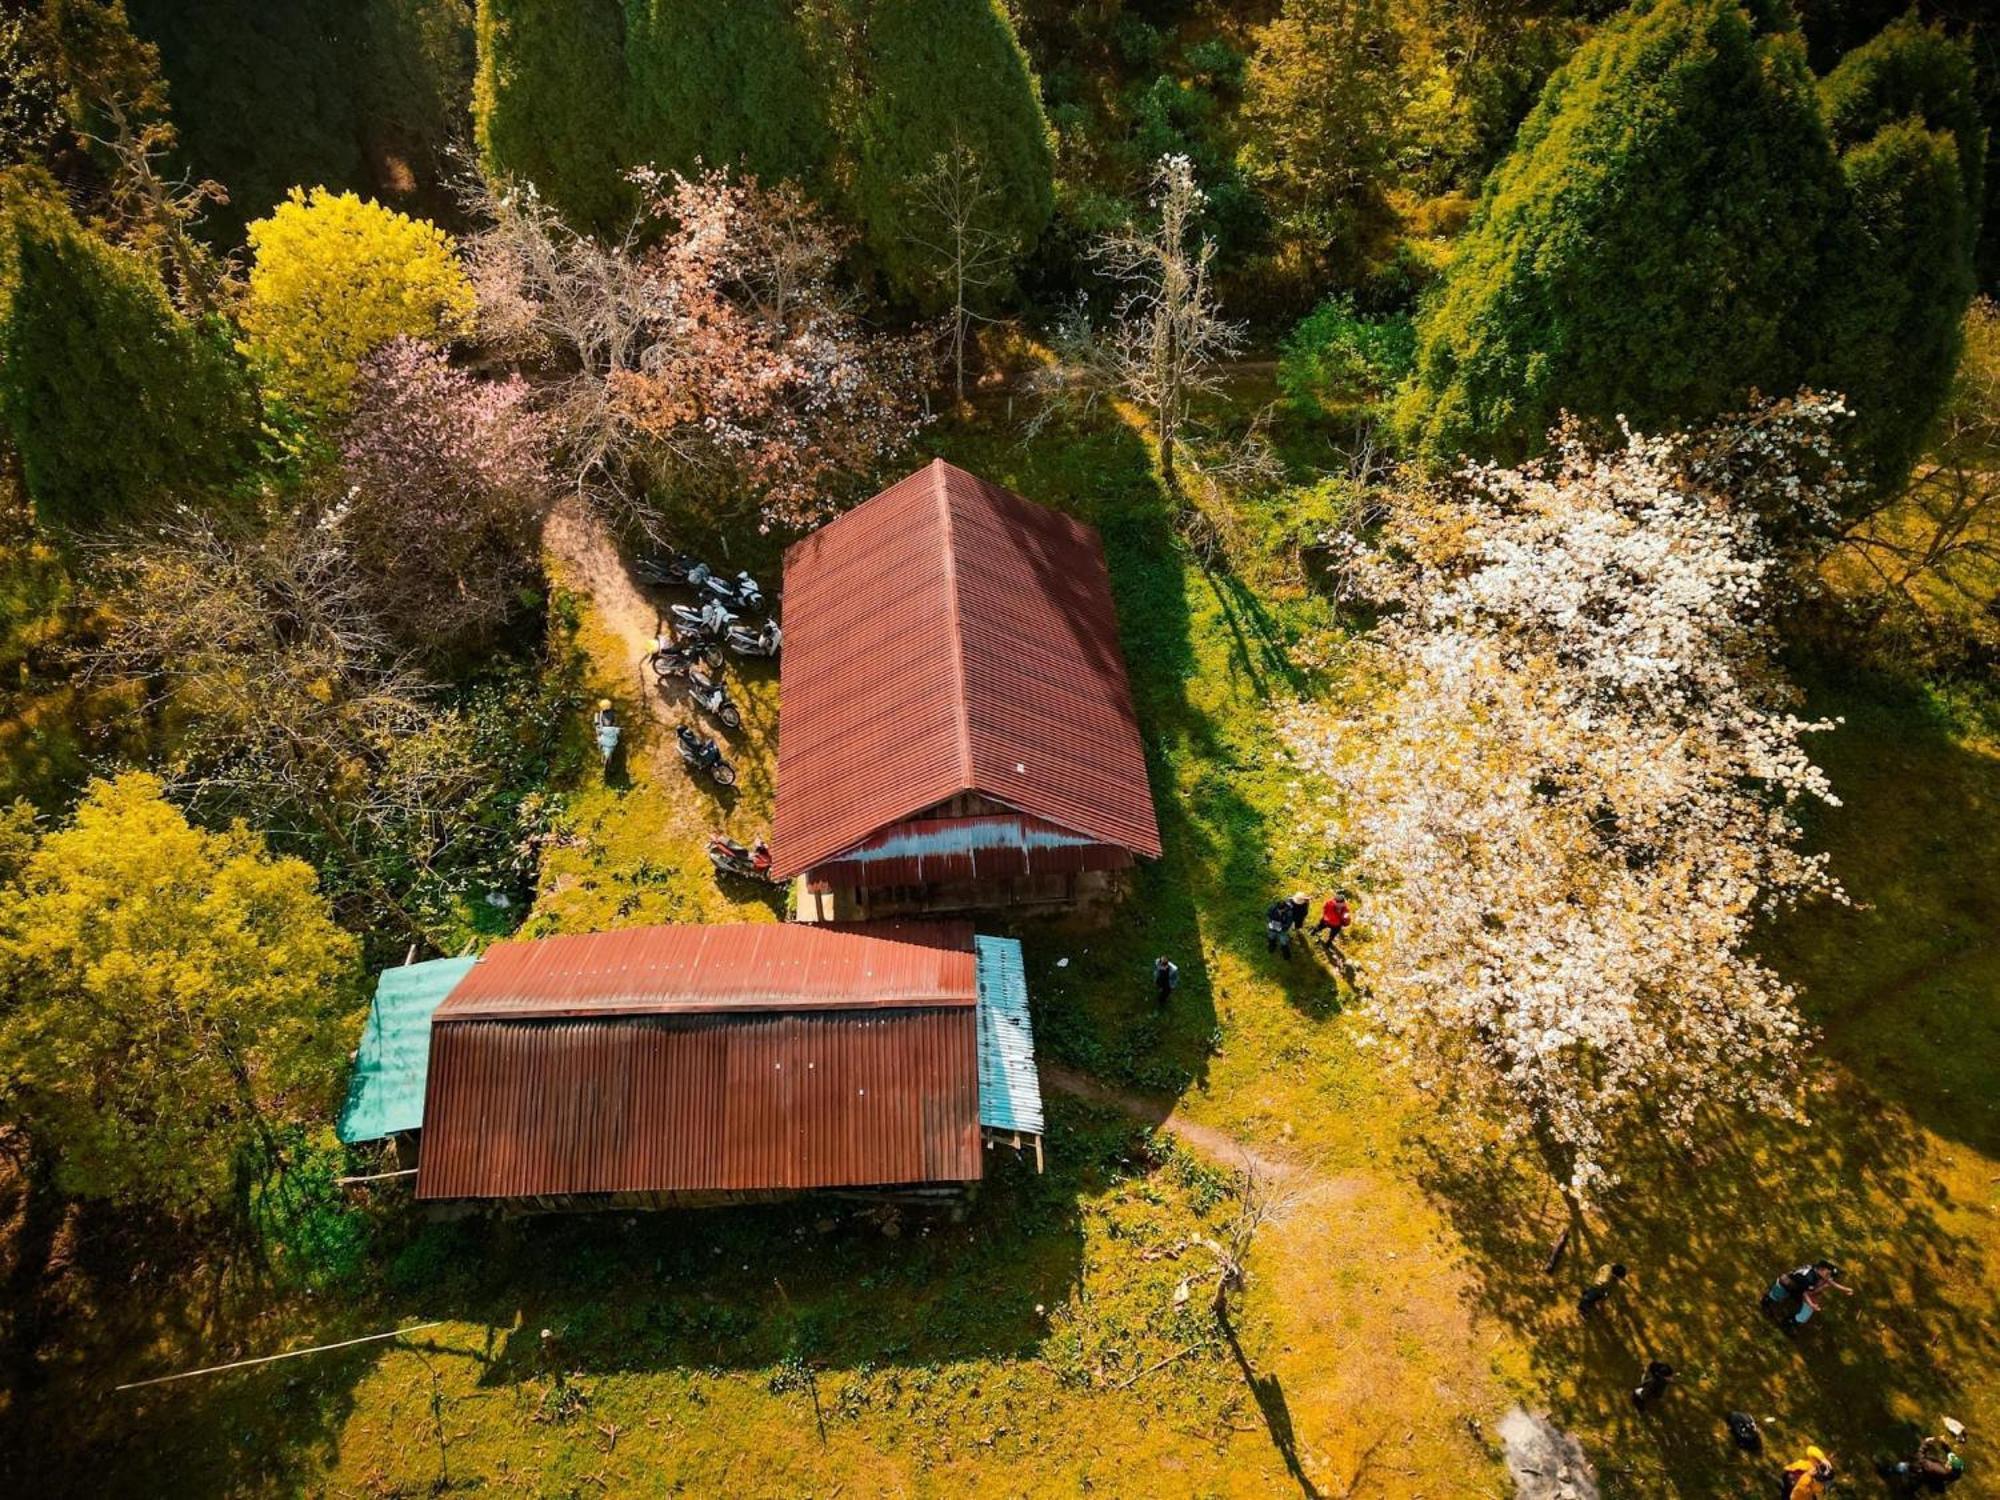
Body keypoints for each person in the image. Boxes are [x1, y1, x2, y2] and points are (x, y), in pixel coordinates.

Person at [1878, 1432, 1966, 1491]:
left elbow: (1920, 1459)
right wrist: (1944, 1444)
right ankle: (1908, 1491)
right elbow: (1950, 1453)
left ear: (1950, 1468)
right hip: (1930, 1477)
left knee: (1902, 1467)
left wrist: (1925, 1443)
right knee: (1916, 1484)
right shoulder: (1957, 1472)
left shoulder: (1937, 1469)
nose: (1948, 1461)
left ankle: (1885, 1471)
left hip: (1921, 1471)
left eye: (1949, 1463)